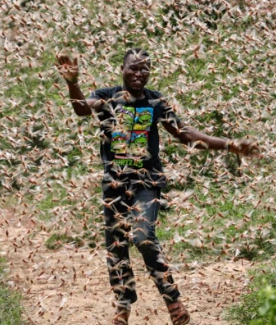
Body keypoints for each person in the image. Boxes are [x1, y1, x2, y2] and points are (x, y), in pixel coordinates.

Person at [56, 48, 257, 325]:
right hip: (114, 184)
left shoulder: (156, 102)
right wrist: (72, 82)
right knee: (117, 246)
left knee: (144, 237)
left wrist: (228, 144)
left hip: (146, 183)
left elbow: (184, 134)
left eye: (144, 69)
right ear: (122, 69)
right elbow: (81, 109)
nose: (138, 74)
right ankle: (123, 306)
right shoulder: (106, 96)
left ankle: (173, 301)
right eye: (133, 68)